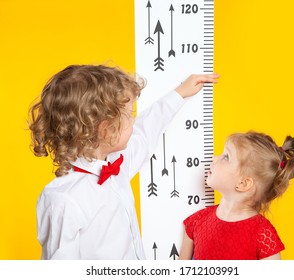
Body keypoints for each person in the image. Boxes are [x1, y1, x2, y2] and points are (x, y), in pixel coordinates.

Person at [29, 64, 219, 259]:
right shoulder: (64, 200)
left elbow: (146, 130)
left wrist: (179, 94)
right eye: (129, 115)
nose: (133, 120)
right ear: (105, 129)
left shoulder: (117, 163)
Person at [179, 131, 294, 260]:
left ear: (243, 183)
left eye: (226, 157)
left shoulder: (263, 235)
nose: (214, 159)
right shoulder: (197, 221)